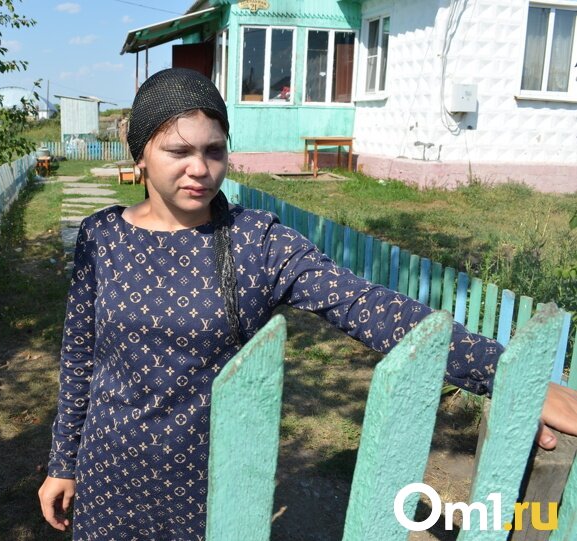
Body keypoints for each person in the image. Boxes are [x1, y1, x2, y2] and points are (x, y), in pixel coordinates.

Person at [38, 68, 577, 540]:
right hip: (109, 470)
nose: (200, 169)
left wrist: (503, 371)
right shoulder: (101, 237)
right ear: (140, 155)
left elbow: (368, 306)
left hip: (211, 478)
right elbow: (81, 355)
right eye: (179, 152)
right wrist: (63, 463)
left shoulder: (257, 243)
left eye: (214, 150)